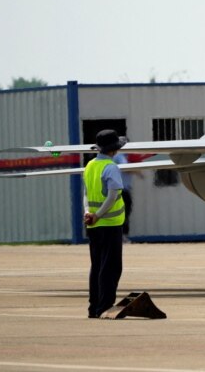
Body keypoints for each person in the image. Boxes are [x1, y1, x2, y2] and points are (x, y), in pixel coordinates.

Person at [83, 129, 127, 318]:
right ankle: (105, 307)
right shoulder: (110, 167)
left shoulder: (90, 165)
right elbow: (113, 195)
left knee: (97, 266)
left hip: (93, 224)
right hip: (109, 224)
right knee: (111, 268)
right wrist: (99, 215)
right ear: (114, 150)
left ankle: (94, 307)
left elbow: (86, 193)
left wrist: (88, 213)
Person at [112, 146, 133, 240]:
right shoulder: (120, 156)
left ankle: (121, 235)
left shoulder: (119, 156)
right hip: (122, 191)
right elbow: (126, 168)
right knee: (124, 213)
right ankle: (122, 235)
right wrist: (137, 170)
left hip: (120, 190)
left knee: (122, 213)